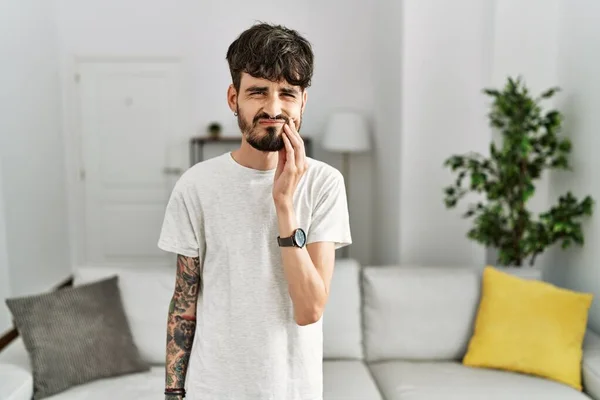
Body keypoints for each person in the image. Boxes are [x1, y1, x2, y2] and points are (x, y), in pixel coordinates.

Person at [158, 22, 352, 400]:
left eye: (287, 93)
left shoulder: (325, 184)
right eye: (258, 91)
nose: (274, 108)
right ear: (234, 99)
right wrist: (172, 392)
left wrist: (284, 205)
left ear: (303, 102)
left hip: (293, 390)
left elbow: (310, 309)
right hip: (212, 389)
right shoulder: (196, 186)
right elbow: (183, 304)